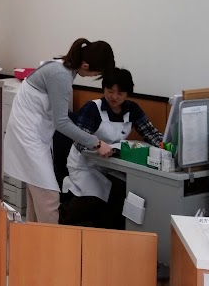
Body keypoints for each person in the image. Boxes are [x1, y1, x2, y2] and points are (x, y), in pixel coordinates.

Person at [3, 38, 116, 224]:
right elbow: (62, 123)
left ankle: (31, 239)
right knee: (49, 198)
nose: (94, 76)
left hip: (34, 134)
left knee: (37, 196)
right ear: (86, 65)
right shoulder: (61, 75)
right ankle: (51, 241)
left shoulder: (62, 67)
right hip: (29, 135)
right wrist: (96, 143)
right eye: (96, 73)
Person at [60, 68, 163, 229]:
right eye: (110, 91)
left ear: (127, 94)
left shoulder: (132, 109)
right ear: (104, 89)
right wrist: (97, 145)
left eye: (120, 93)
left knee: (123, 194)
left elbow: (150, 132)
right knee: (94, 198)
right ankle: (61, 221)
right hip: (85, 166)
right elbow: (79, 139)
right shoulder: (92, 108)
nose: (114, 97)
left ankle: (106, 229)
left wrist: (164, 146)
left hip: (112, 166)